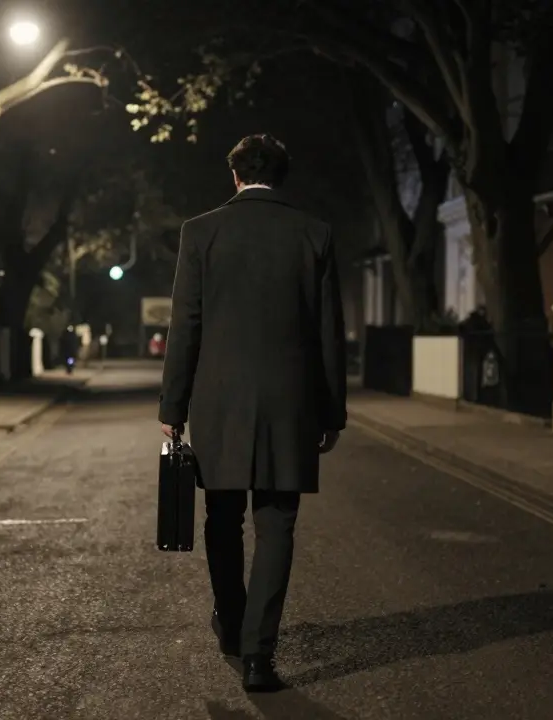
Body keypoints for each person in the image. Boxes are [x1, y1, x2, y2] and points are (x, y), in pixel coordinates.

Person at [158, 134, 347, 692]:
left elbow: (185, 324)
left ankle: (233, 624)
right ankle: (259, 654)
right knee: (277, 524)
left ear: (235, 176)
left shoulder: (201, 232)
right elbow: (328, 333)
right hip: (291, 402)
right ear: (281, 177)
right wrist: (331, 411)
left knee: (222, 517)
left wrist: (173, 404)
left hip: (217, 401)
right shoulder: (315, 233)